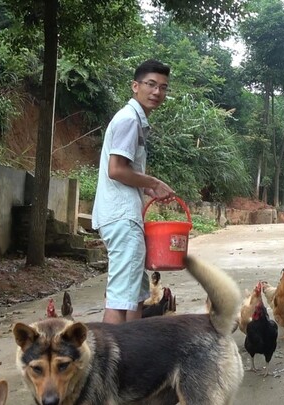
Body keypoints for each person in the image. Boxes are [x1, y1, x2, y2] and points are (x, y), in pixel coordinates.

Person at [92, 59, 175, 324]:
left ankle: (132, 356)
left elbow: (124, 171)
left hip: (125, 216)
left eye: (163, 87)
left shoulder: (134, 120)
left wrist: (146, 188)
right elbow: (116, 169)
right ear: (135, 86)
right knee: (120, 296)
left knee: (136, 293)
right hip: (121, 217)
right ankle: (110, 362)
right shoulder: (129, 120)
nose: (157, 92)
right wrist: (152, 182)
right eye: (151, 85)